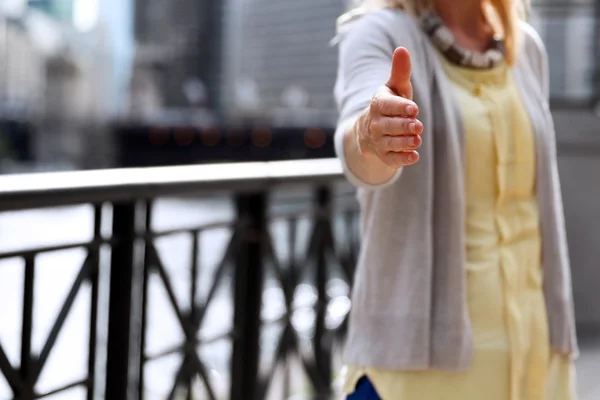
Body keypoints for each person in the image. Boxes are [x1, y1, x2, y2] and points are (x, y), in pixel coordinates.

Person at [332, 0, 579, 399]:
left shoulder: (525, 48)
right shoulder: (379, 32)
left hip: (536, 362)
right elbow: (360, 144)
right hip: (419, 375)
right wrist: (372, 133)